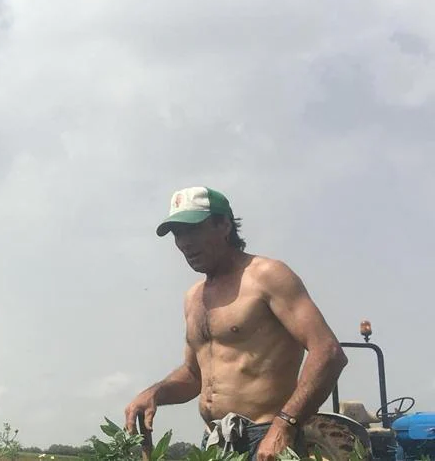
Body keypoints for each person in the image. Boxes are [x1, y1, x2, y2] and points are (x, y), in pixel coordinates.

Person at [123, 187, 348, 461]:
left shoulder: (266, 276)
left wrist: (284, 426)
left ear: (224, 225)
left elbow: (328, 352)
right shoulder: (193, 297)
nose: (184, 243)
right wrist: (155, 393)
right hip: (216, 443)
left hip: (266, 440)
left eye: (193, 230)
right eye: (177, 233)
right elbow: (194, 376)